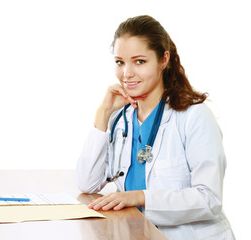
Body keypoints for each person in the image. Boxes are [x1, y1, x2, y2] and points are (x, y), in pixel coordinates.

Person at [76, 15, 235, 239]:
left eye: (139, 61)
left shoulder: (194, 117)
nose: (127, 74)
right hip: (137, 233)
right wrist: (103, 113)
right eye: (120, 62)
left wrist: (141, 197)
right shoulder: (120, 119)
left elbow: (209, 200)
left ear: (163, 60)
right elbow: (87, 183)